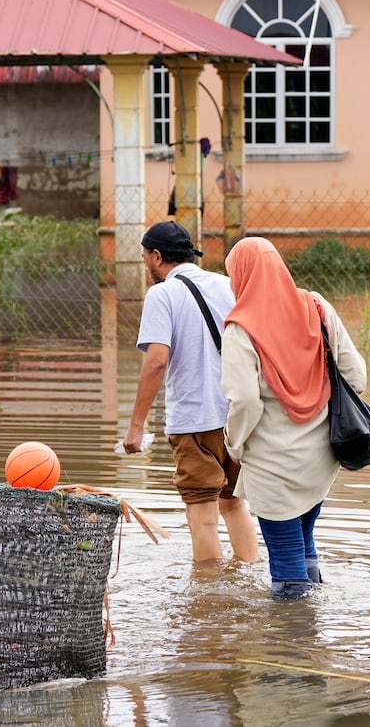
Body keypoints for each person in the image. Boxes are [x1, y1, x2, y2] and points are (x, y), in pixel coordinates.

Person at [221, 237, 368, 599]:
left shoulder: (241, 328)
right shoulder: (316, 307)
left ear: (242, 276)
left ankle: (290, 647)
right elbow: (358, 377)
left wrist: (233, 444)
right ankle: (313, 641)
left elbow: (245, 403)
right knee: (305, 545)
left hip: (275, 467)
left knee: (287, 567)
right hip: (322, 458)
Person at [124, 220, 259, 565]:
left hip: (194, 421)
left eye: (144, 258)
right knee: (233, 502)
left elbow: (156, 362)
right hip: (238, 416)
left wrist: (136, 426)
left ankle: (208, 600)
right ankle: (250, 571)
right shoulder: (228, 285)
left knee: (202, 514)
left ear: (156, 256)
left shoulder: (162, 294)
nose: (145, 266)